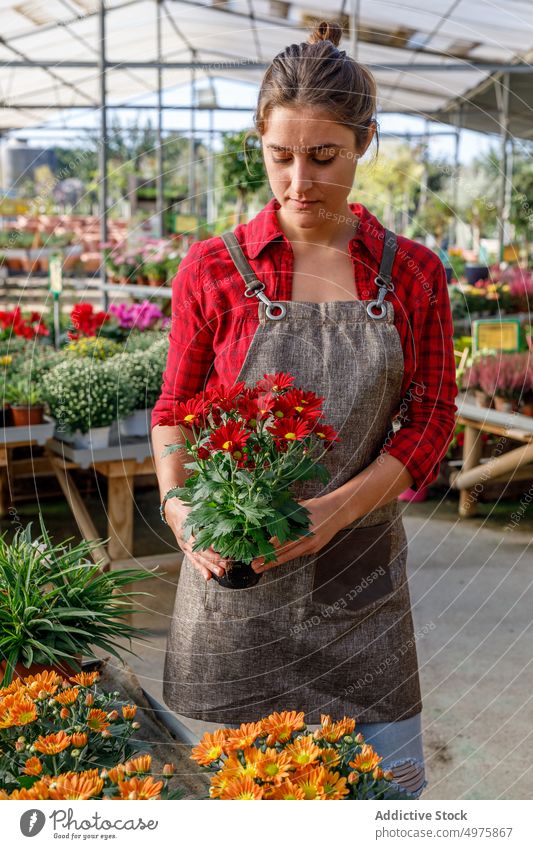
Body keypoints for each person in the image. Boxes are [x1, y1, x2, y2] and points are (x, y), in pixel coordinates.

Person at [151, 20, 458, 798]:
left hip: (359, 596)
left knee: (385, 802)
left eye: (322, 157)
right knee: (237, 803)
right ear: (259, 142)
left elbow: (429, 419)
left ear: (364, 143)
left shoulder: (413, 274)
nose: (297, 183)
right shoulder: (214, 269)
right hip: (233, 600)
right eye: (278, 157)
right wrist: (180, 507)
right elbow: (173, 409)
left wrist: (336, 509)